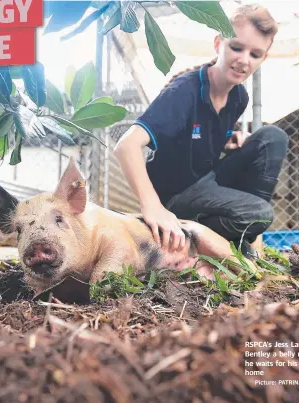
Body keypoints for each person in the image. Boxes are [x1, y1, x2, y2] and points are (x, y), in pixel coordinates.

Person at [113, 4, 288, 258]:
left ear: (263, 59)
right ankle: (200, 233)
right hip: (176, 196)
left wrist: (229, 141)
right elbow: (126, 146)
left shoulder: (239, 97)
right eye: (236, 48)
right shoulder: (184, 92)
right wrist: (153, 207)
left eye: (255, 54)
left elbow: (200, 134)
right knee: (259, 214)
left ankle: (247, 235)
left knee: (272, 138)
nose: (243, 60)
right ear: (219, 44)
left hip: (207, 181)